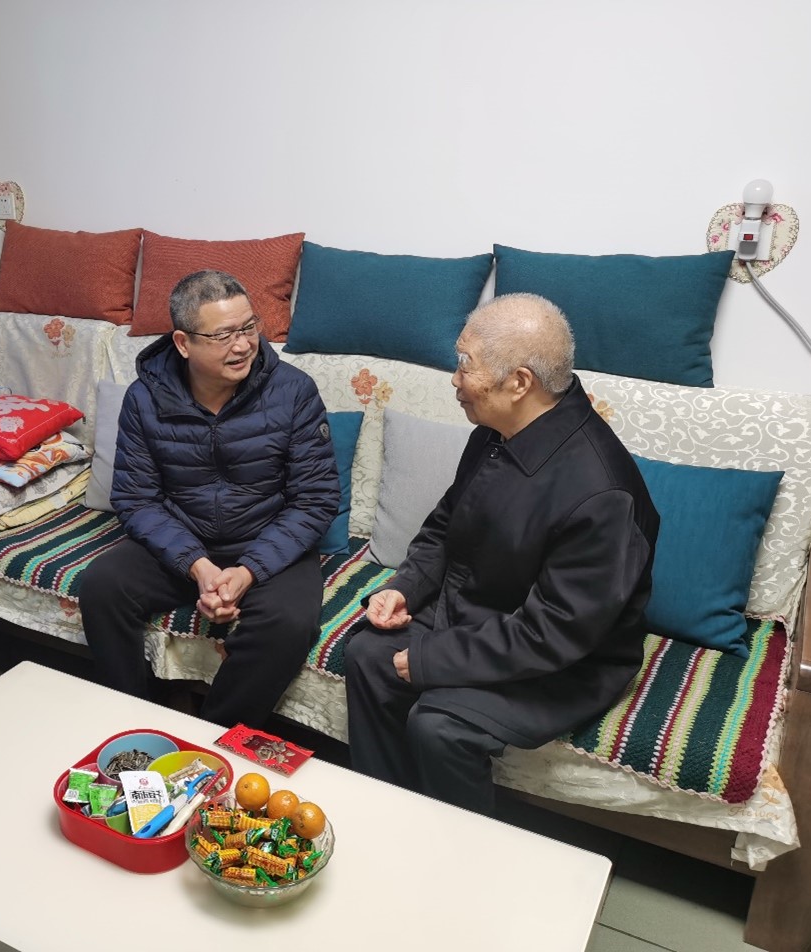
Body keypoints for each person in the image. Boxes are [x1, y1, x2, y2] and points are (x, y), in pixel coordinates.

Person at [345, 292, 660, 815]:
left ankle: (464, 848)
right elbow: (445, 526)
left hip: (565, 658)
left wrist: (431, 659)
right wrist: (405, 588)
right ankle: (391, 813)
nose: (455, 379)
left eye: (465, 364)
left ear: (519, 382)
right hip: (481, 612)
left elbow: (554, 632)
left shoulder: (602, 492)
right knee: (368, 655)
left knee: (439, 725)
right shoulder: (499, 431)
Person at [79, 270, 340, 727]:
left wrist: (248, 570)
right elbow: (136, 499)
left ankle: (210, 735)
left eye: (249, 327)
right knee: (102, 586)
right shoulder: (145, 398)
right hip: (184, 541)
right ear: (183, 343)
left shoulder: (293, 391)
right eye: (223, 335)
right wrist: (198, 566)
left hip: (269, 542)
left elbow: (315, 499)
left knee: (288, 624)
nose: (243, 345)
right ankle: (135, 719)